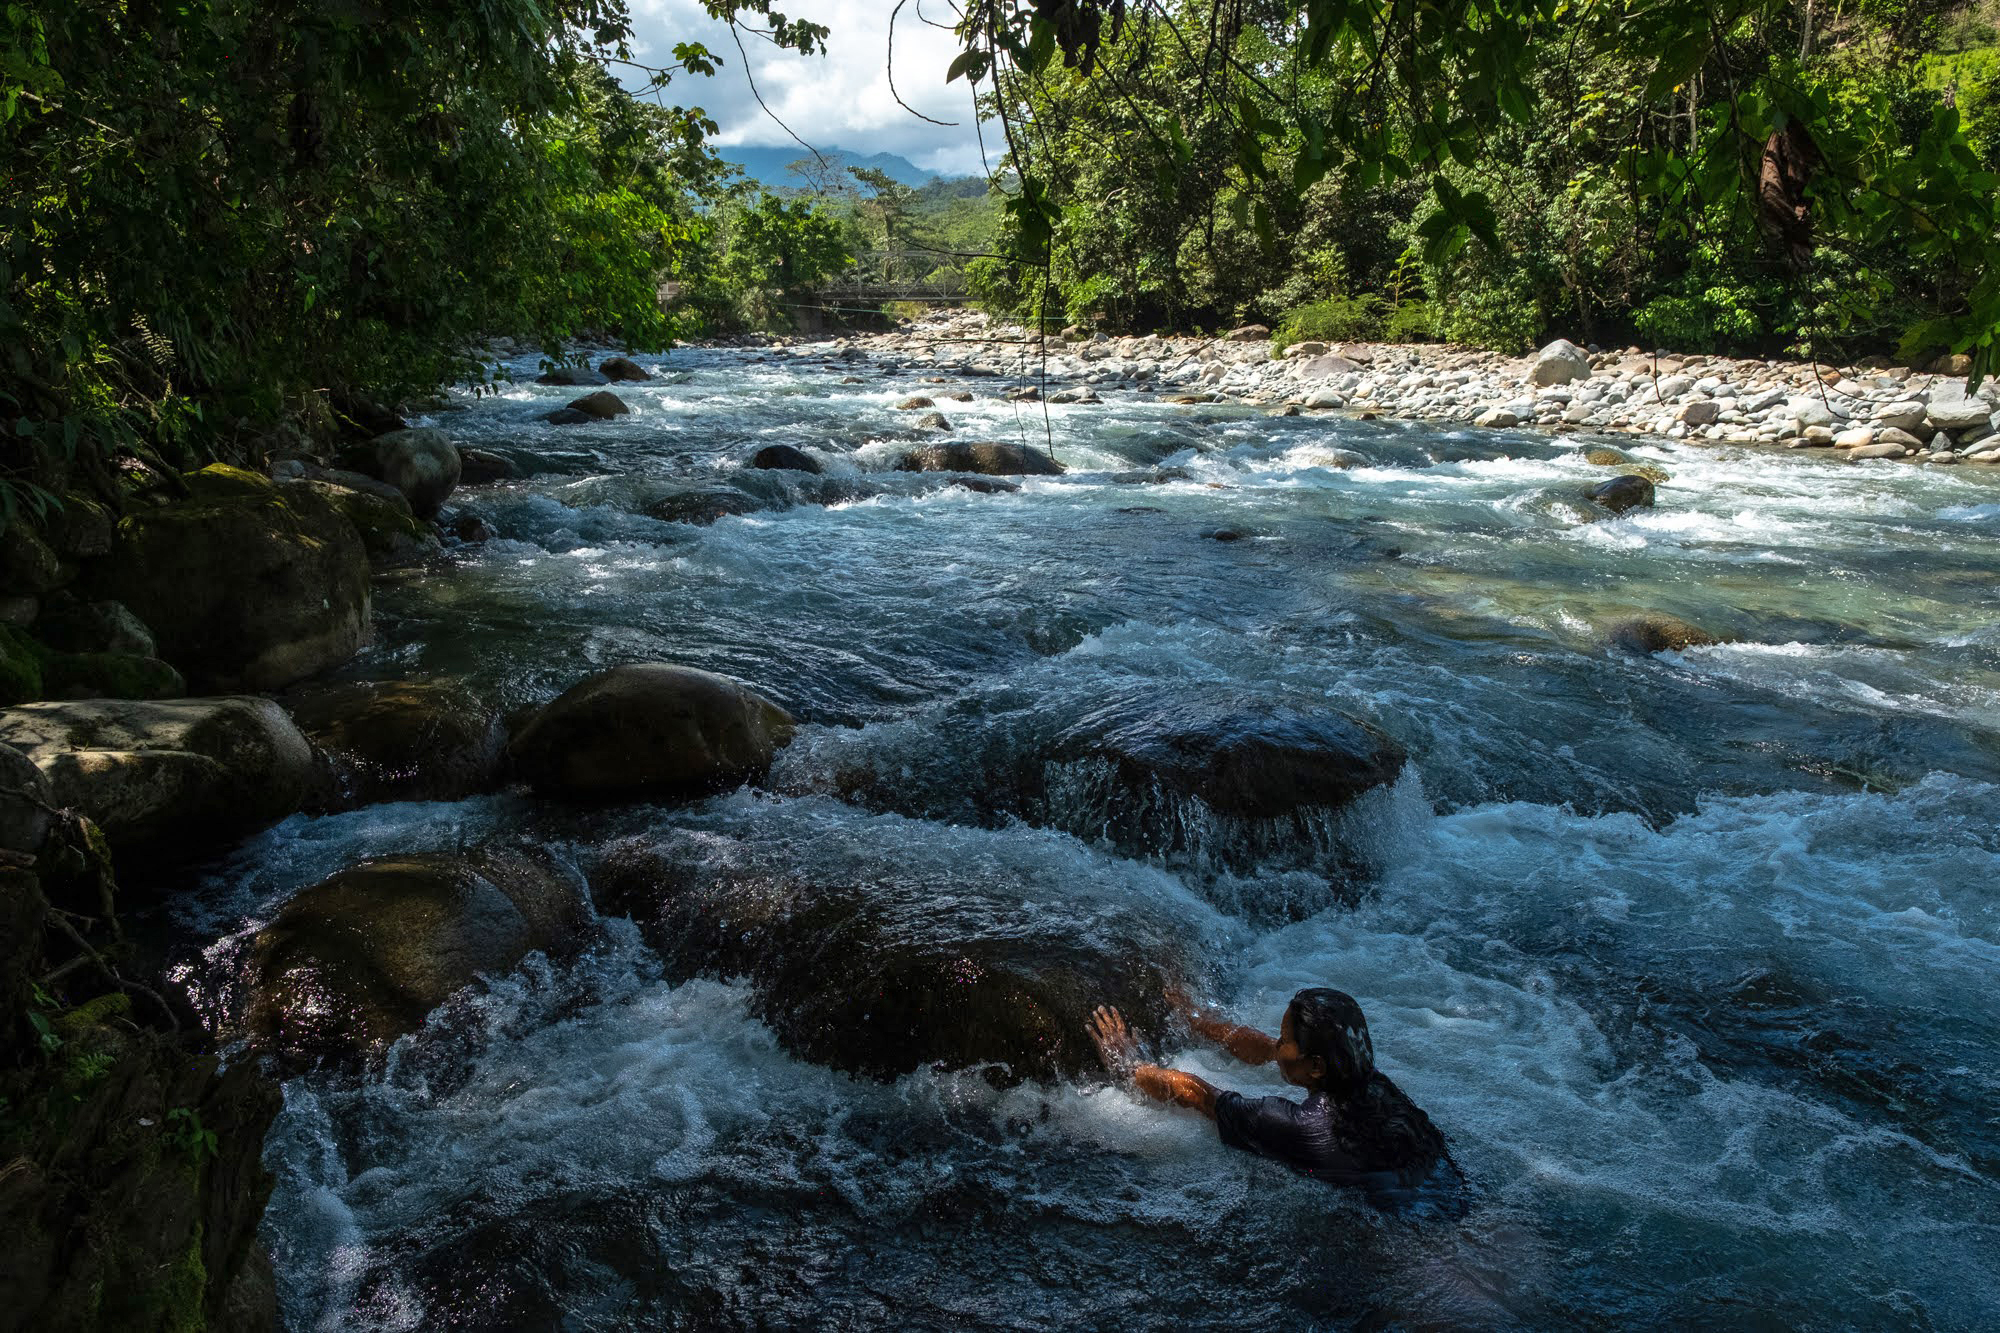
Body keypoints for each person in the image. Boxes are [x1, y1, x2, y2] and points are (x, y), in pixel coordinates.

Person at [1085, 987, 1456, 1208]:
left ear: (1315, 1066)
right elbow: (1265, 1048)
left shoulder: (1295, 1124)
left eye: (1285, 1040)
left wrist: (1128, 1064)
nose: (1276, 1045)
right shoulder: (1376, 1085)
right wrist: (1194, 1020)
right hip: (1447, 1202)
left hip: (1401, 1239)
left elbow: (1196, 1094)